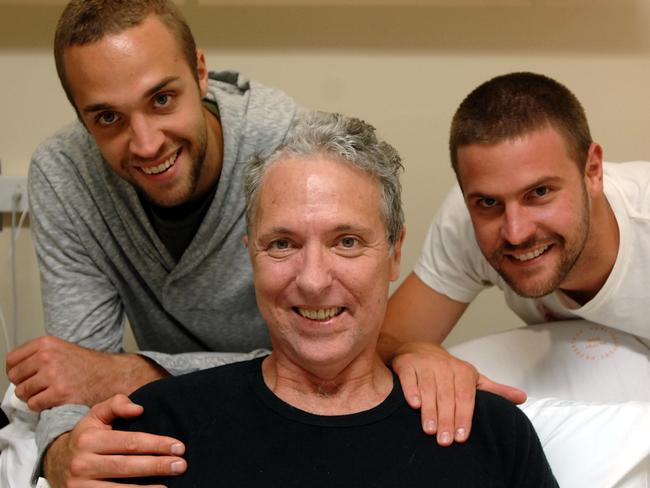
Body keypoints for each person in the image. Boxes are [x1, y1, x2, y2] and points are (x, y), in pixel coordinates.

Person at [109, 110, 558, 487]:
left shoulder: (488, 432)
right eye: (282, 244)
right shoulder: (163, 430)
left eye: (346, 242)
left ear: (394, 254)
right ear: (252, 257)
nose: (313, 280)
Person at [4, 0, 298, 484]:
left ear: (200, 72)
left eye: (161, 99)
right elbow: (73, 376)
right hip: (176, 426)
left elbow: (328, 360)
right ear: (81, 118)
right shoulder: (66, 174)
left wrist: (126, 373)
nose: (145, 144)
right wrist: (60, 460)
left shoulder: (290, 151)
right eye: (107, 119)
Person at [381, 72, 650, 436]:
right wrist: (413, 351)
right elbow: (380, 341)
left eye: (539, 193)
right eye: (488, 202)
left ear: (593, 171)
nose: (516, 231)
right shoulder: (466, 223)